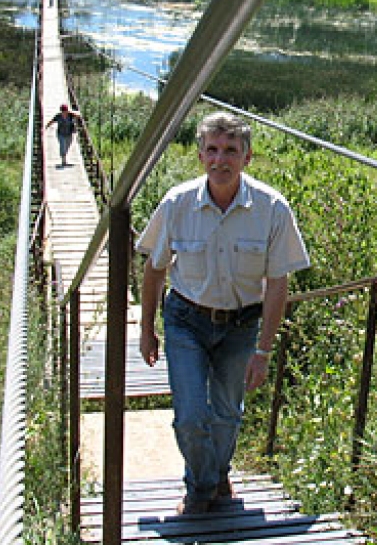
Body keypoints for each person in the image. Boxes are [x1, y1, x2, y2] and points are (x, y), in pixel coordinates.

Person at [136, 111, 310, 516]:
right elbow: (155, 269)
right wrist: (146, 329)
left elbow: (278, 283)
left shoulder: (272, 208)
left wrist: (263, 351)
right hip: (186, 320)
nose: (220, 160)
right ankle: (202, 488)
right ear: (200, 155)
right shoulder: (177, 204)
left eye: (230, 150)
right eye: (212, 150)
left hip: (241, 325)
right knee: (190, 416)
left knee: (228, 415)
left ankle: (216, 474)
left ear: (247, 157)